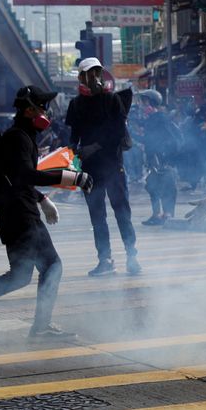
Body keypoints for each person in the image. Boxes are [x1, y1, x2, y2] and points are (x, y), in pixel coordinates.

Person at [0, 86, 93, 341]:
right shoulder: (19, 137)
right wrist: (71, 177)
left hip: (14, 214)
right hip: (21, 216)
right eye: (42, 106)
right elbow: (24, 175)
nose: (46, 111)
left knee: (20, 277)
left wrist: (42, 200)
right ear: (29, 109)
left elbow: (15, 178)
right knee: (53, 266)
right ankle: (40, 328)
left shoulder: (22, 136)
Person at [65, 57, 141, 276]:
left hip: (113, 166)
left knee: (122, 213)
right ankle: (105, 259)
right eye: (89, 73)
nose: (93, 77)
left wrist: (94, 147)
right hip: (90, 169)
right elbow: (73, 135)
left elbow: (117, 133)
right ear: (81, 77)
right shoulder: (76, 104)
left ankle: (132, 256)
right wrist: (70, 151)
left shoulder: (112, 100)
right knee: (97, 216)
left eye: (97, 72)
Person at [137, 90, 180, 226]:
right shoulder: (152, 119)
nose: (142, 105)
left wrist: (164, 155)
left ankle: (167, 215)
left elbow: (167, 139)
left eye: (144, 101)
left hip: (162, 160)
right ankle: (157, 215)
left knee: (167, 186)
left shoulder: (160, 118)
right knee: (152, 186)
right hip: (154, 159)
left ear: (151, 102)